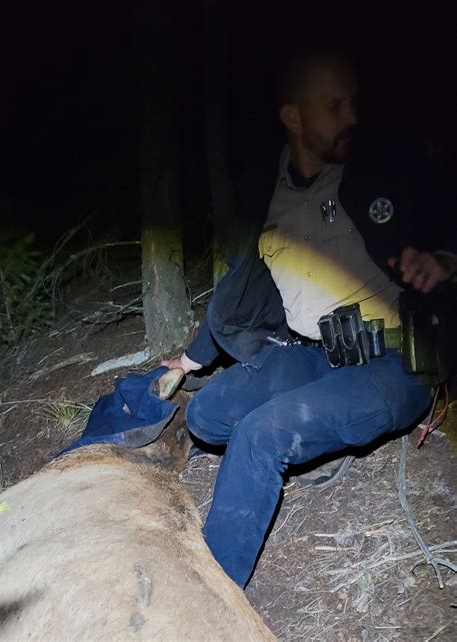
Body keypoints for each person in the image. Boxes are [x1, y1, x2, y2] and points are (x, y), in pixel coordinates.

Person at [163, 48, 456, 588]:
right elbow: (237, 285)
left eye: (354, 103)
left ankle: (204, 599)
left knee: (258, 435)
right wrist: (190, 358)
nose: (352, 117)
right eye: (335, 106)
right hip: (311, 357)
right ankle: (319, 441)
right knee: (205, 416)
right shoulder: (266, 193)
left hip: (391, 363)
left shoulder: (382, 170)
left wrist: (443, 260)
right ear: (293, 117)